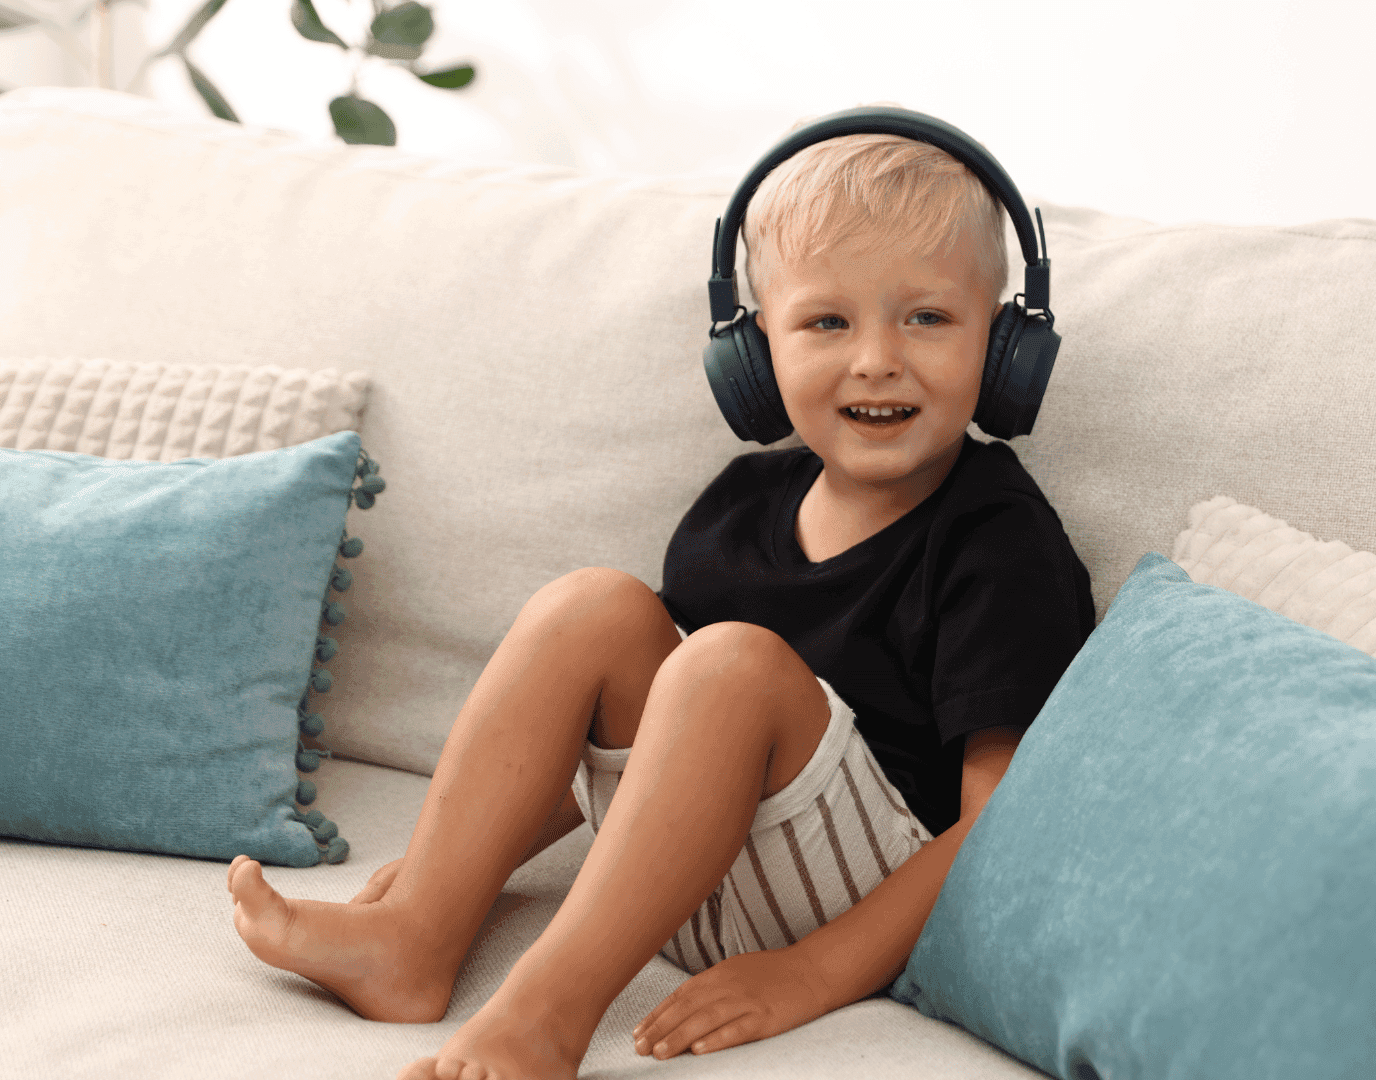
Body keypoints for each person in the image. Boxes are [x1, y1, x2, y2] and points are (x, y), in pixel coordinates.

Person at [225, 109, 1095, 1080]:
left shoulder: (997, 539)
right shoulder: (741, 507)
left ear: (1005, 344)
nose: (877, 358)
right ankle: (414, 938)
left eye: (927, 317)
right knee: (592, 606)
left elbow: (1000, 826)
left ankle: (543, 1020)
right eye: (827, 321)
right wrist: (468, 857)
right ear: (754, 353)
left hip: (868, 909)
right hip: (691, 880)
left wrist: (810, 974)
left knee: (727, 663)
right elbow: (659, 753)